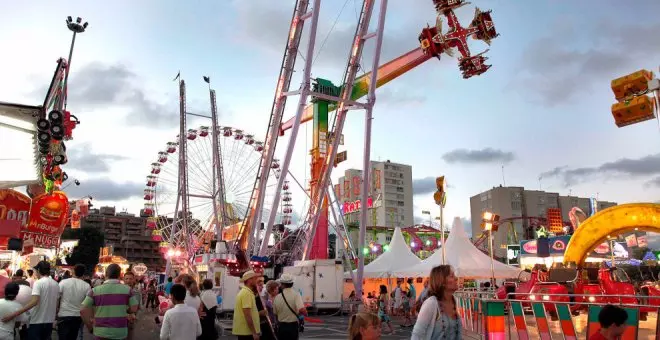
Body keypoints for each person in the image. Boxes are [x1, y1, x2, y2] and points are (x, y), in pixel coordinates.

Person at [1, 260, 59, 340]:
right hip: (49, 321)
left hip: (37, 321)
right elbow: (56, 303)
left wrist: (13, 314)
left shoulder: (38, 283)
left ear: (38, 270)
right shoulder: (56, 284)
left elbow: (34, 302)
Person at [81, 263, 138, 340]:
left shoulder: (94, 291)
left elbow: (83, 310)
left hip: (100, 332)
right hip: (120, 333)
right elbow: (134, 309)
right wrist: (125, 310)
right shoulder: (128, 290)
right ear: (120, 275)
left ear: (106, 274)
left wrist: (90, 327)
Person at [411, 265, 461, 340]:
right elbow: (417, 335)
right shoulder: (432, 303)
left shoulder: (453, 300)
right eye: (452, 276)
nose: (456, 278)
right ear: (442, 282)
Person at [57, 264, 90, 340]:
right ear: (83, 274)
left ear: (73, 272)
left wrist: (56, 311)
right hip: (78, 316)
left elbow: (57, 298)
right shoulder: (86, 286)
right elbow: (87, 304)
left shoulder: (63, 282)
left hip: (64, 315)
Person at [273, 274, 307, 340]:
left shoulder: (277, 297)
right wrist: (305, 313)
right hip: (292, 326)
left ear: (282, 284)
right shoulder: (296, 295)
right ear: (292, 283)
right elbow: (302, 310)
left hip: (281, 326)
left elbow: (275, 313)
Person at [233, 270, 262, 340]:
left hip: (245, 332)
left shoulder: (246, 292)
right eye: (255, 278)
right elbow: (247, 315)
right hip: (247, 333)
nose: (256, 281)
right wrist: (254, 332)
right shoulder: (247, 293)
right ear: (249, 280)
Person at [124, 271, 141, 340]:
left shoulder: (136, 292)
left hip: (130, 321)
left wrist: (134, 316)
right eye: (127, 278)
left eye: (130, 279)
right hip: (119, 320)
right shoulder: (119, 291)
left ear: (134, 280)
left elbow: (139, 307)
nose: (128, 281)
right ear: (123, 280)